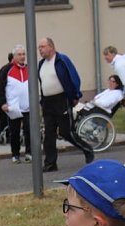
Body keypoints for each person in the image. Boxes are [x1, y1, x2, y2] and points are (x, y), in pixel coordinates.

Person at [37, 37, 94, 172]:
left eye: (43, 47)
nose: (40, 50)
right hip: (48, 102)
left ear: (51, 47)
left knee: (66, 132)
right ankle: (50, 163)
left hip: (61, 100)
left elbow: (73, 77)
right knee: (49, 134)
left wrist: (75, 95)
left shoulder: (62, 60)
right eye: (39, 48)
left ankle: (87, 149)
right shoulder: (41, 64)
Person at [1, 45, 31, 164]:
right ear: (14, 57)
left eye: (23, 54)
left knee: (29, 131)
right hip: (13, 107)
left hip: (28, 107)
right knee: (14, 132)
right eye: (19, 54)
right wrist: (3, 103)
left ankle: (29, 153)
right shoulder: (6, 70)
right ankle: (15, 154)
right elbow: (0, 88)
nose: (22, 57)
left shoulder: (30, 69)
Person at [0, 52, 15, 144]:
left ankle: (1, 135)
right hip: (4, 97)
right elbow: (1, 85)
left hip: (4, 97)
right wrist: (3, 101)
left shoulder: (4, 68)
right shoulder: (7, 69)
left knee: (4, 120)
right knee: (4, 120)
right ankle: (1, 135)